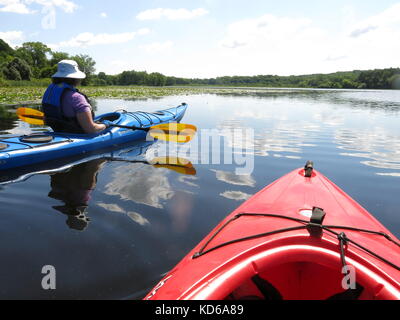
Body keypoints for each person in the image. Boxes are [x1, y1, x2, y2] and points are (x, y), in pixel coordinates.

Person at [42, 60, 106, 134]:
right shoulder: (77, 98)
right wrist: (105, 125)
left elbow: (45, 119)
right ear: (76, 78)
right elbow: (91, 129)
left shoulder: (50, 92)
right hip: (77, 136)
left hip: (56, 133)